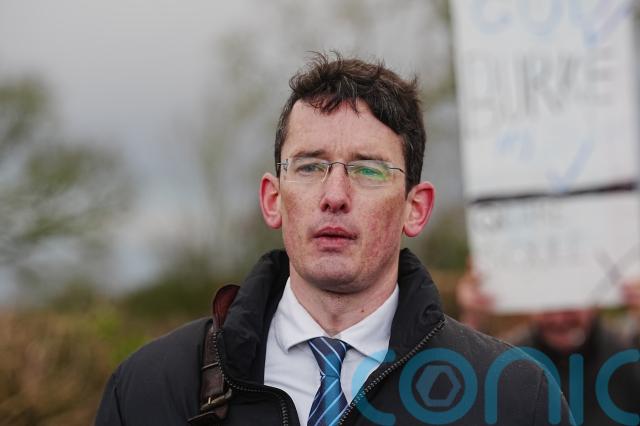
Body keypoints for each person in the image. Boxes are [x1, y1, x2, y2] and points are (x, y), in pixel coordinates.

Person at [95, 53, 573, 425]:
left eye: (368, 169)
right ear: (273, 199)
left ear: (416, 208)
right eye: (310, 166)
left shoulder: (513, 398)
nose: (335, 196)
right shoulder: (149, 389)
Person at [456, 267, 640, 425]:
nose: (559, 319)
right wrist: (472, 323)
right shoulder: (508, 359)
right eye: (547, 308)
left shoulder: (628, 355)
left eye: (569, 305)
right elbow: (465, 399)